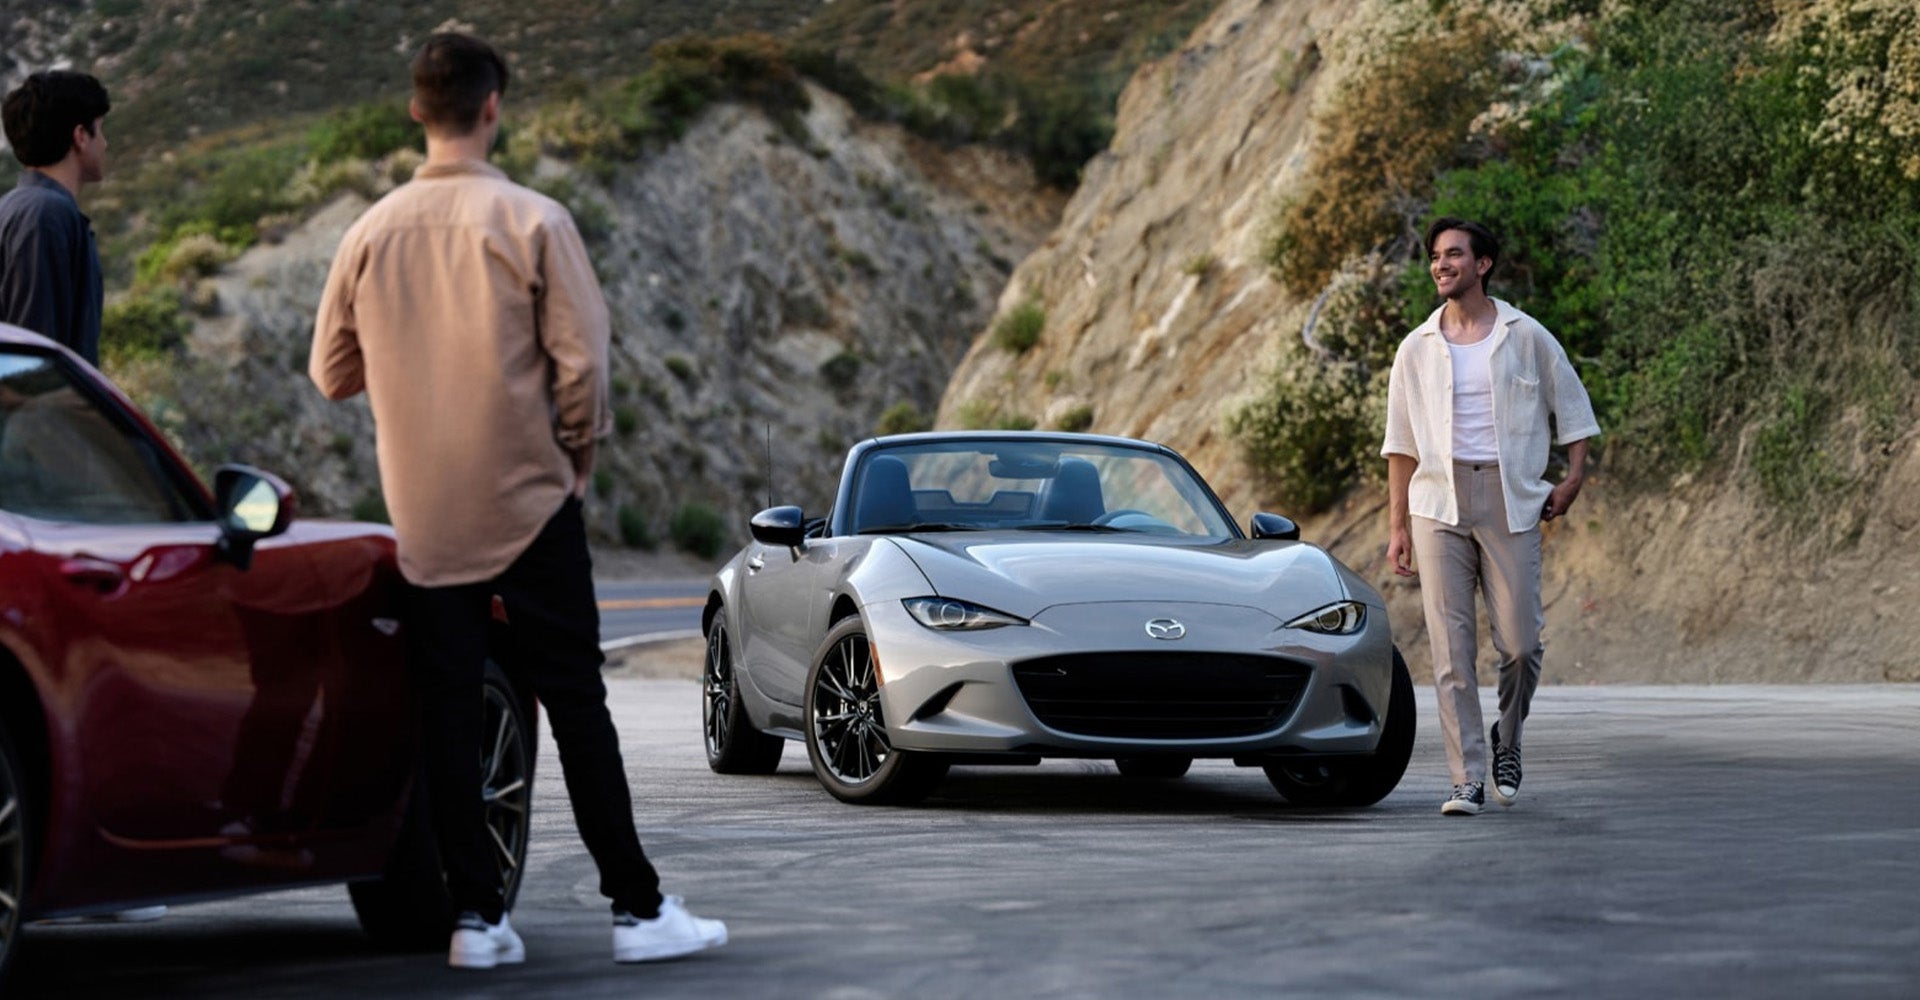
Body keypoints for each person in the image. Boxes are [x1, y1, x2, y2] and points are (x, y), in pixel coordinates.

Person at [309, 32, 727, 970]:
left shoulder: (368, 231)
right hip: (531, 502)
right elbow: (582, 368)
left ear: (417, 110)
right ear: (494, 106)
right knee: (577, 705)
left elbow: (331, 372)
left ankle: (477, 922)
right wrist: (575, 458)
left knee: (450, 715)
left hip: (426, 518)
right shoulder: (535, 221)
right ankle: (638, 910)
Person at [1381, 218, 1600, 817]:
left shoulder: (1525, 336)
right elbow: (1400, 445)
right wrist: (1398, 525)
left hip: (1510, 498)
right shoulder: (1415, 348)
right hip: (1437, 504)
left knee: (1522, 645)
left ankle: (1509, 737)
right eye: (1434, 256)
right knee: (1451, 652)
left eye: (1454, 254)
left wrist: (1573, 478)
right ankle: (1466, 777)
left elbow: (1574, 409)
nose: (1440, 264)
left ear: (1483, 265)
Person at [0, 71, 109, 365]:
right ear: (81, 137)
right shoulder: (45, 215)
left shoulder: (17, 207)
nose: (106, 144)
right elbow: (33, 353)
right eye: (100, 130)